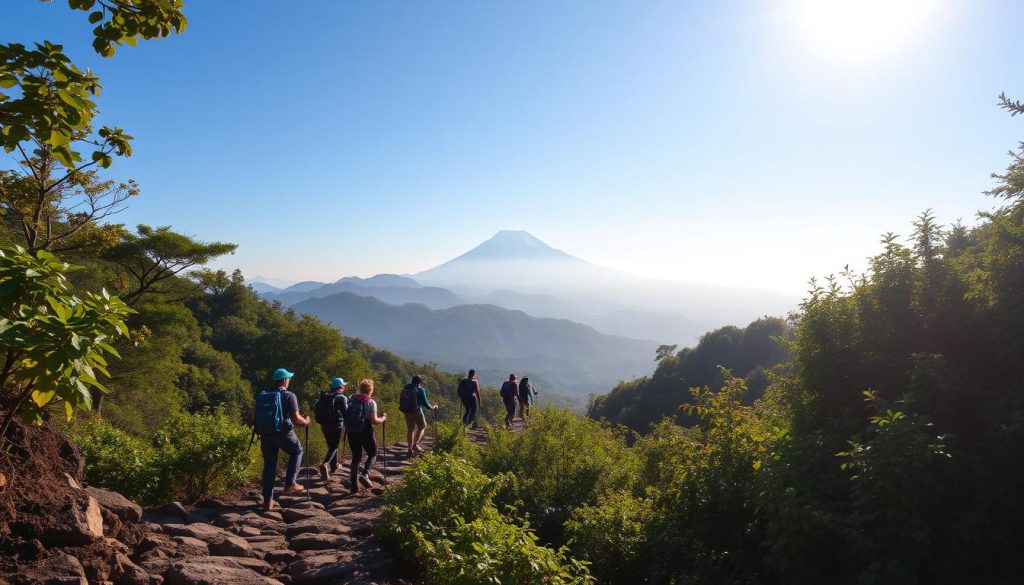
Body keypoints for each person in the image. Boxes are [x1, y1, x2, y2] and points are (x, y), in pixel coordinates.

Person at [252, 368, 310, 511]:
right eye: (288, 378)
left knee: (269, 467)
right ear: (284, 380)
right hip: (284, 433)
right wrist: (306, 421)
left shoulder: (263, 395)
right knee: (297, 451)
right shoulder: (289, 396)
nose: (289, 380)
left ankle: (267, 501)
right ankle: (290, 483)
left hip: (265, 435)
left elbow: (253, 417)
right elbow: (296, 419)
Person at [345, 378, 387, 494]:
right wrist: (383, 418)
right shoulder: (370, 402)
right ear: (371, 390)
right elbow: (374, 421)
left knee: (356, 457)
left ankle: (354, 485)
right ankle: (365, 474)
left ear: (361, 389)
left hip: (351, 431)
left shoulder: (352, 400)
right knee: (373, 453)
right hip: (365, 431)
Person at [315, 377, 348, 482]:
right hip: (336, 425)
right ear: (340, 387)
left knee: (331, 446)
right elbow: (345, 413)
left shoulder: (325, 396)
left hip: (324, 425)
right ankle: (325, 464)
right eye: (343, 385)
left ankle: (334, 467)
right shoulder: (341, 398)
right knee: (334, 446)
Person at [400, 374, 438, 456]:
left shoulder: (406, 387)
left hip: (406, 411)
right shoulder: (420, 389)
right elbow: (426, 404)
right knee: (422, 426)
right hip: (417, 411)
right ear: (420, 382)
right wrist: (434, 407)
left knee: (410, 429)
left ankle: (409, 449)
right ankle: (415, 444)